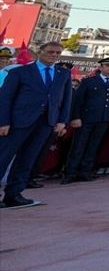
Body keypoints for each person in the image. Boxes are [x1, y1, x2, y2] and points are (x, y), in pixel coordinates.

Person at [0, 41, 73, 208]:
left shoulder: (63, 74)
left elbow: (66, 99)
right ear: (40, 51)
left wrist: (62, 121)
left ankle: (14, 194)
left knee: (27, 160)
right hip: (18, 122)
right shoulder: (21, 72)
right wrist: (3, 122)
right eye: (50, 52)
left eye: (57, 53)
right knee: (3, 157)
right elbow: (5, 99)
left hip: (46, 123)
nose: (54, 55)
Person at [64, 57, 109, 183]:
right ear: (101, 67)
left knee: (93, 146)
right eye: (108, 66)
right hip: (86, 119)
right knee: (78, 146)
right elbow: (78, 101)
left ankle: (85, 172)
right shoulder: (89, 81)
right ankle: (70, 173)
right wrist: (76, 117)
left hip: (104, 119)